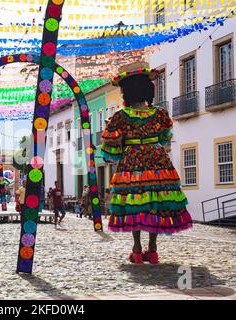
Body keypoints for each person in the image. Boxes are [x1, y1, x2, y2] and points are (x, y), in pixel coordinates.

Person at [101, 61, 192, 264]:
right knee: (156, 203)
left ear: (126, 93)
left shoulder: (120, 117)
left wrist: (124, 144)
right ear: (147, 90)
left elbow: (110, 148)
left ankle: (136, 248)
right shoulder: (160, 115)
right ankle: (153, 249)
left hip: (132, 162)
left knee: (135, 203)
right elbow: (165, 139)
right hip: (157, 162)